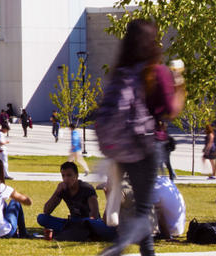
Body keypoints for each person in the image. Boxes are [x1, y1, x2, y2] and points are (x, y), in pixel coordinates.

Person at [96, 19, 184, 256]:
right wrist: (180, 85)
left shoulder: (120, 72)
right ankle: (120, 245)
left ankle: (140, 250)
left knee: (140, 211)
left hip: (121, 147)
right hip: (147, 145)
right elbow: (170, 110)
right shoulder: (156, 72)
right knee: (143, 210)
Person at [37, 161, 117, 242]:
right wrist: (57, 192)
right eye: (63, 176)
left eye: (69, 175)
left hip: (88, 222)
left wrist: (81, 223)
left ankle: (73, 232)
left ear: (77, 175)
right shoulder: (63, 189)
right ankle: (76, 232)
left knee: (90, 223)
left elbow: (94, 215)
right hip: (72, 222)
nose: (66, 179)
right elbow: (46, 211)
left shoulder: (87, 188)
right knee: (41, 218)